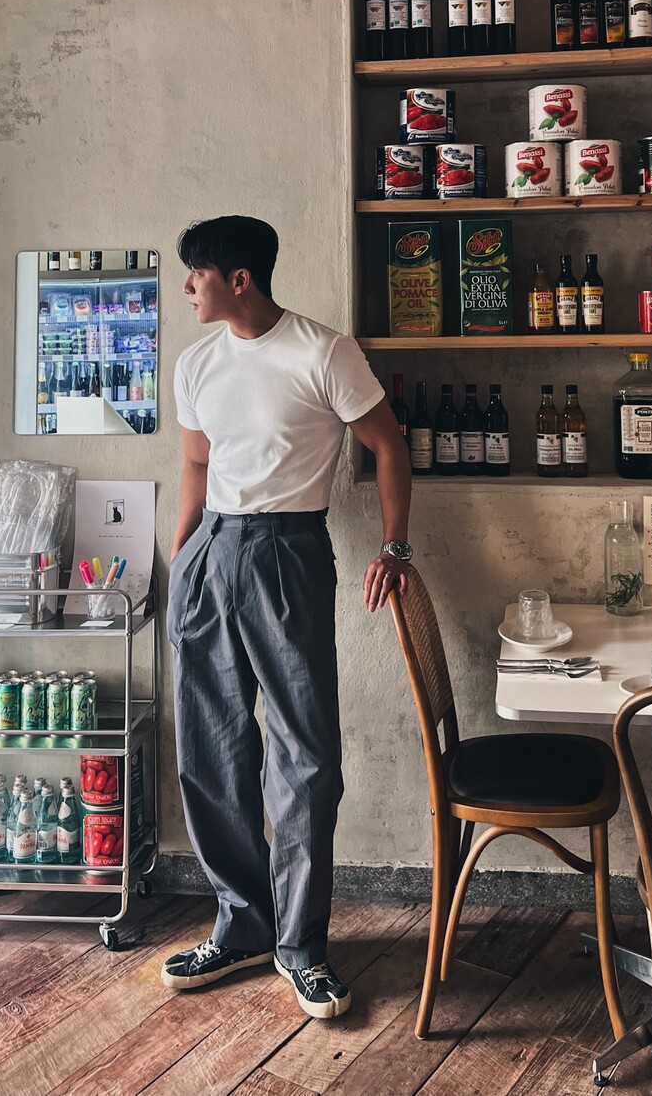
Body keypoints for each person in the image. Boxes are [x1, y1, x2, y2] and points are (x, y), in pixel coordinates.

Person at [161, 215, 412, 1019]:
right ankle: (241, 925)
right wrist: (180, 566)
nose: (187, 286)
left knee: (305, 756)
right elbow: (195, 464)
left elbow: (388, 445)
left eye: (198, 273)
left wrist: (394, 546)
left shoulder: (322, 352)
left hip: (287, 551)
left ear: (239, 278)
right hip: (210, 552)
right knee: (210, 747)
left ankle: (301, 946)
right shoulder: (195, 363)